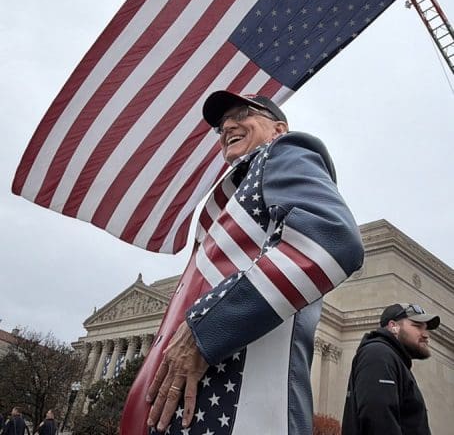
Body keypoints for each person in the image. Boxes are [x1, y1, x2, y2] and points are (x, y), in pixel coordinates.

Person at [121, 91, 364, 435]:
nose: (228, 126)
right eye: (221, 125)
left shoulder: (285, 152)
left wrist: (203, 327)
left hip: (244, 416)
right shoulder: (238, 191)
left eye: (244, 113)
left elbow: (331, 239)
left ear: (279, 128)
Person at [342, 302, 440, 435]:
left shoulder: (392, 360)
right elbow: (377, 417)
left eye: (426, 328)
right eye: (417, 326)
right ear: (393, 326)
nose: (426, 335)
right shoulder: (378, 354)